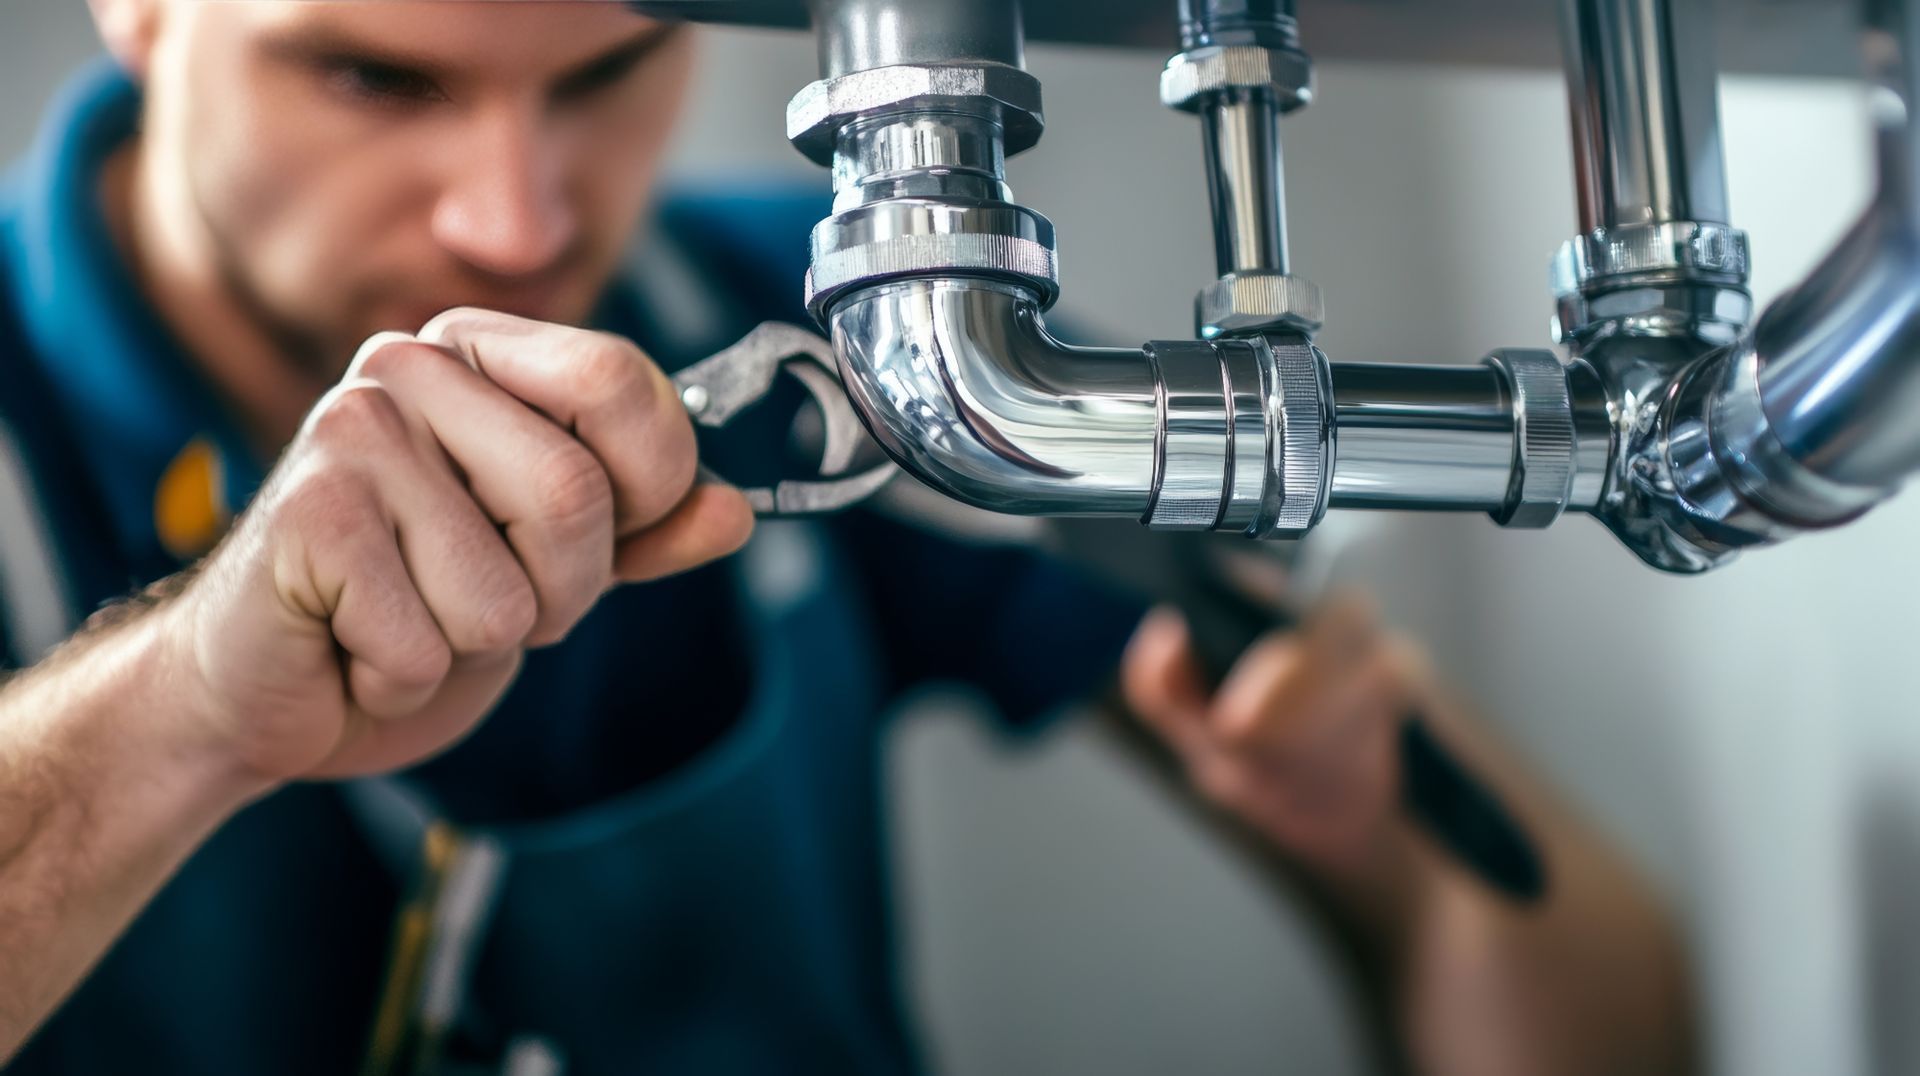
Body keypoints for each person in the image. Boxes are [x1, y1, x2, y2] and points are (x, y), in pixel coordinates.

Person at [0, 3, 1691, 1073]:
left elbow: (1608, 988)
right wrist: (178, 710)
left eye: (608, 67)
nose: (513, 220)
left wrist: (1363, 825)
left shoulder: (828, 341)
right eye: (374, 77)